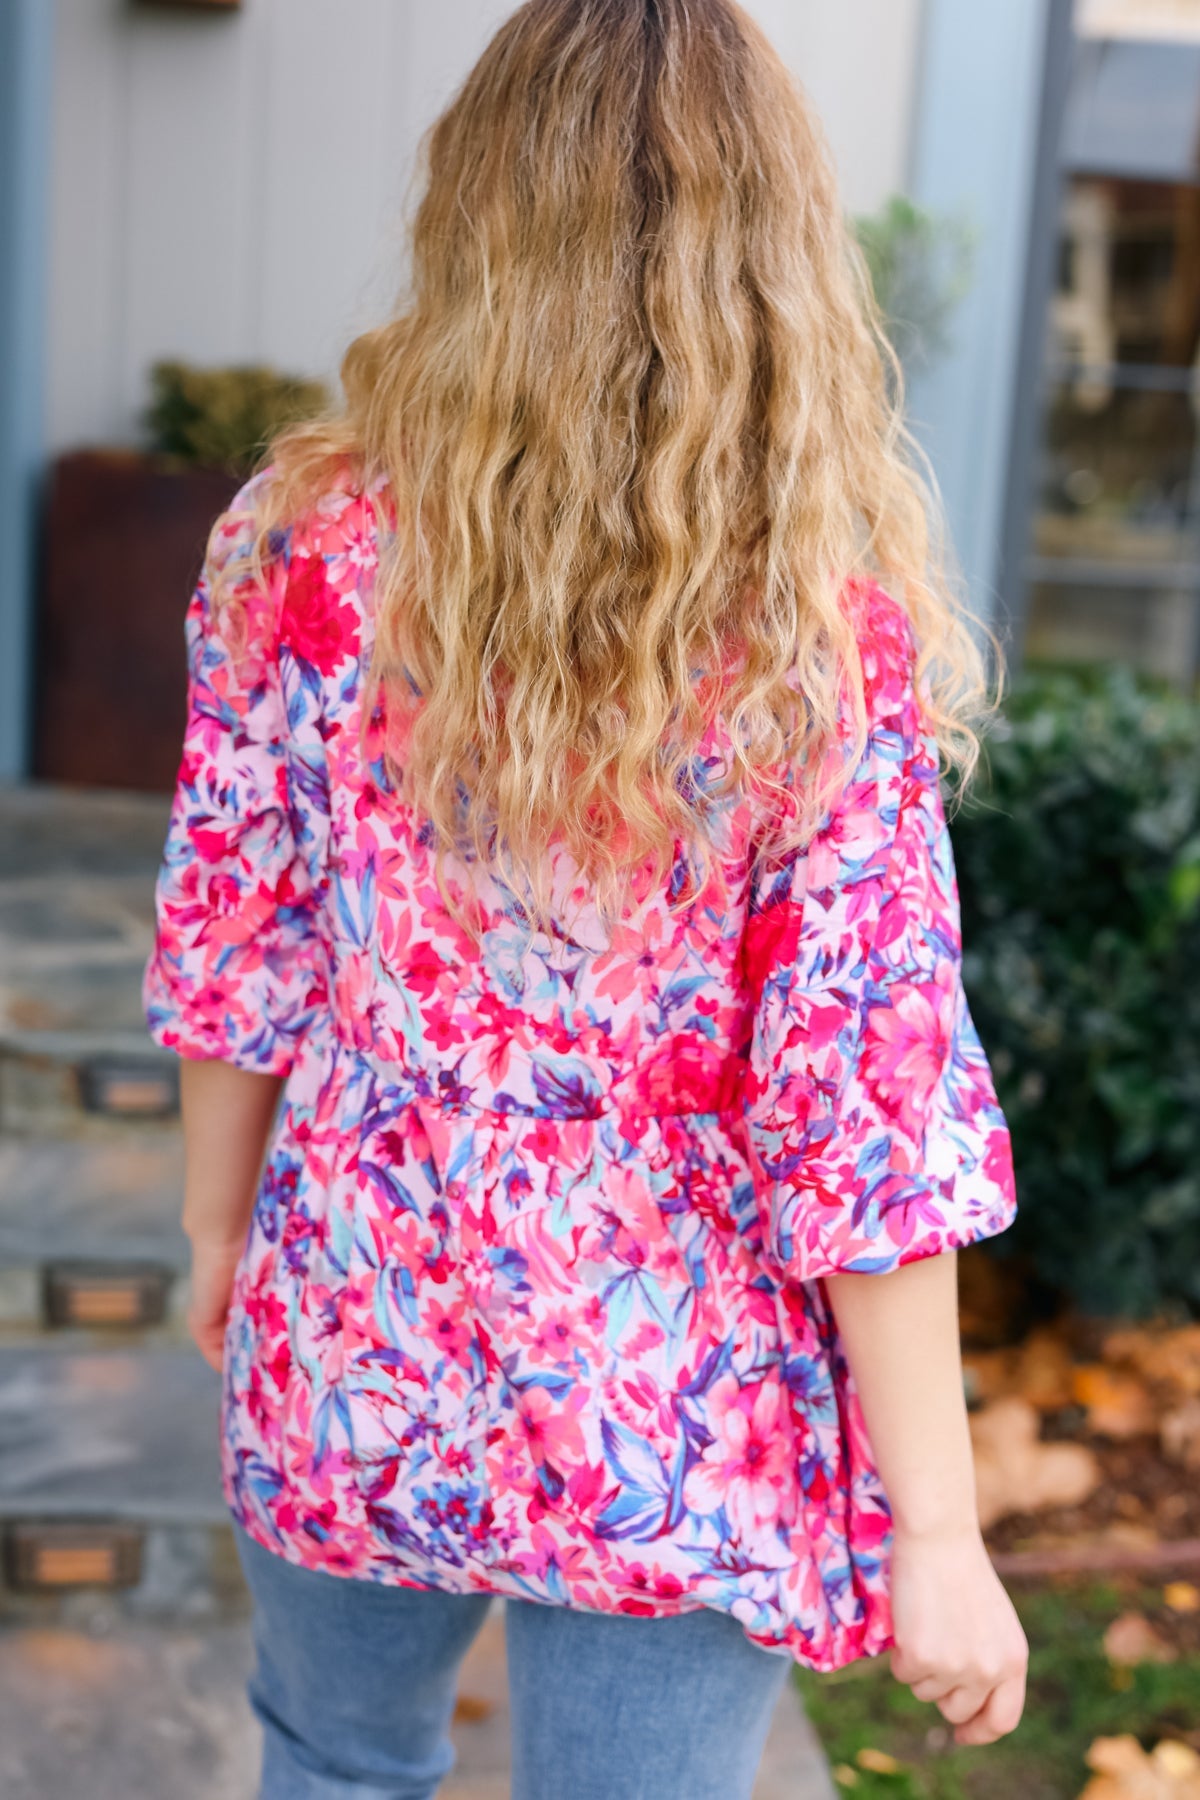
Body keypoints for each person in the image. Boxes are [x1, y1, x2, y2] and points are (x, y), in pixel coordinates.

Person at [144, 2, 1029, 1795]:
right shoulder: (807, 642)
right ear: (775, 257)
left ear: (475, 215)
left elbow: (240, 943)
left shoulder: (298, 548)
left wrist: (217, 1232)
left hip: (359, 1299)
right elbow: (866, 1098)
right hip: (678, 1376)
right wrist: (936, 1527)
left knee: (335, 1759)